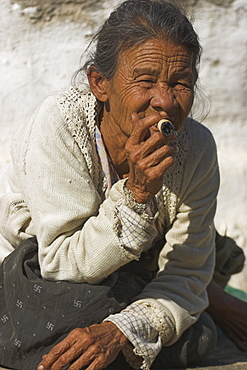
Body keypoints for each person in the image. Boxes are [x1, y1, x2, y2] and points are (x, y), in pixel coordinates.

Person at [0, 0, 246, 369]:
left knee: (191, 334)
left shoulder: (196, 148)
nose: (164, 101)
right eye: (145, 81)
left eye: (181, 83)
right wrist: (137, 194)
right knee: (74, 315)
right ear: (100, 83)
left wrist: (122, 330)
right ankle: (211, 301)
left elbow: (185, 272)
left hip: (136, 270)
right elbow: (57, 264)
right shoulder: (61, 124)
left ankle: (203, 300)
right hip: (51, 275)